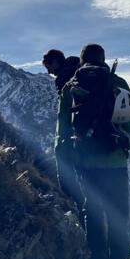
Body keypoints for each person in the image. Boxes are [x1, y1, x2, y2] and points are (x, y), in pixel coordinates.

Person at [61, 43, 130, 259]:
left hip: (86, 163)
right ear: (104, 60)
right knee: (117, 216)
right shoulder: (119, 81)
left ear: (81, 62)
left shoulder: (71, 86)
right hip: (115, 163)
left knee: (92, 214)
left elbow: (62, 127)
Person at [43, 49, 83, 211]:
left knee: (70, 185)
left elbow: (67, 113)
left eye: (49, 67)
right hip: (94, 140)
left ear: (56, 62)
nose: (49, 72)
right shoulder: (79, 71)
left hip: (72, 140)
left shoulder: (64, 80)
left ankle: (81, 216)